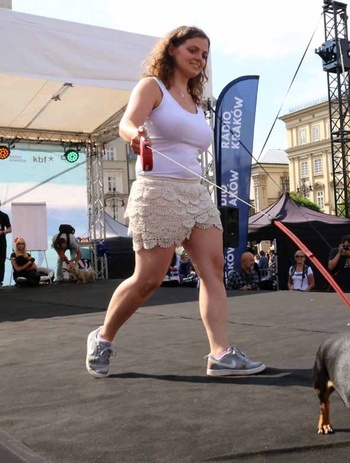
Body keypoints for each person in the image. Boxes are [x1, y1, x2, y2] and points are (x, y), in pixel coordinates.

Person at [85, 26, 264, 379]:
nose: (199, 58)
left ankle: (220, 354)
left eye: (204, 54)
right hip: (158, 192)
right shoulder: (152, 87)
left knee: (213, 272)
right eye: (193, 50)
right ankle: (102, 337)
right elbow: (127, 122)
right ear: (172, 50)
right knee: (147, 280)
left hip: (196, 193)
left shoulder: (197, 103)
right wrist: (133, 135)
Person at [0, 201, 11, 286]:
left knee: (1, 260)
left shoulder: (4, 216)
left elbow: (10, 228)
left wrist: (3, 232)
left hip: (1, 241)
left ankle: (0, 280)